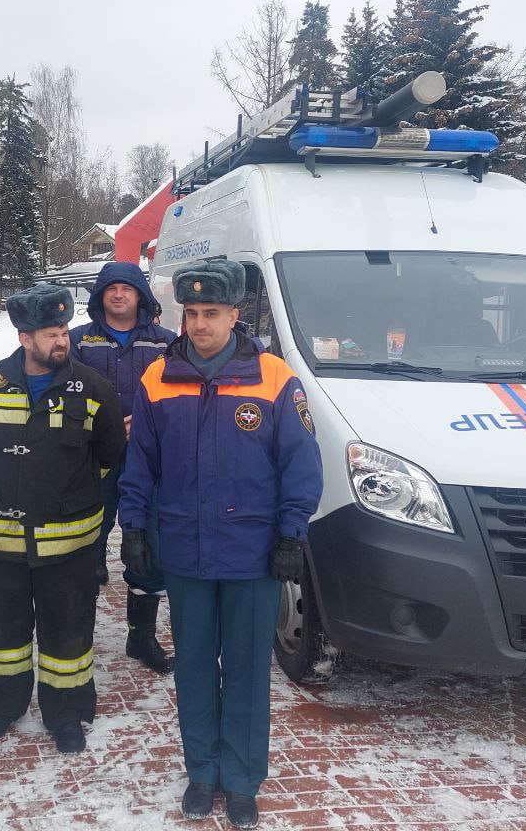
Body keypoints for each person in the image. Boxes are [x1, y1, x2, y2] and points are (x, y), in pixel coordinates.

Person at [118, 258, 324, 828]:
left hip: (252, 556)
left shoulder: (275, 378)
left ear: (235, 315)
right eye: (192, 313)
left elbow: (301, 466)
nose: (200, 324)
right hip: (184, 552)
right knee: (194, 668)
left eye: (212, 313)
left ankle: (241, 780)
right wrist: (133, 526)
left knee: (248, 670)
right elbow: (140, 464)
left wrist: (291, 535)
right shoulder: (158, 378)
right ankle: (202, 771)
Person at [0, 284, 125, 754]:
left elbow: (110, 454)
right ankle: (0, 705)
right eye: (51, 333)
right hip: (1, 538)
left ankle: (67, 712)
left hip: (69, 542)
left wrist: (64, 491)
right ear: (25, 338)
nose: (62, 340)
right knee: (3, 627)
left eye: (64, 330)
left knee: (69, 629)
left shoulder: (94, 390)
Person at [69, 262, 176, 674]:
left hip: (149, 462)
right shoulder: (78, 342)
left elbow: (180, 398)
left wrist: (147, 424)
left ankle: (141, 637)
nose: (118, 295)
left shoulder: (167, 344)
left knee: (148, 548)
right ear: (100, 296)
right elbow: (65, 396)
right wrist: (106, 423)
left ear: (141, 296)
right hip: (92, 461)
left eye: (127, 289)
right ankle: (77, 637)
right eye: (110, 288)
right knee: (84, 549)